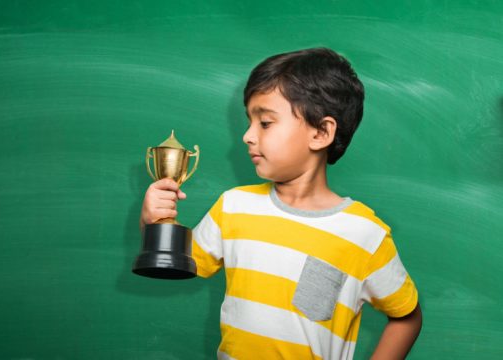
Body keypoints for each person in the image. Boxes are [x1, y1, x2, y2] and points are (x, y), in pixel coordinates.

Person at [140, 48, 422, 360]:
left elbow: (407, 316)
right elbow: (175, 261)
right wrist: (153, 221)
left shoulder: (364, 234)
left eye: (265, 122)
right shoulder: (234, 206)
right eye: (249, 121)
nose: (247, 136)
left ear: (321, 132)